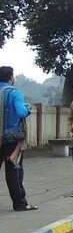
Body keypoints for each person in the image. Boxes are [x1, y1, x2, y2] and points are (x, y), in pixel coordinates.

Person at [0, 66, 36, 211]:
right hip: (11, 138)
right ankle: (20, 203)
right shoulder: (14, 92)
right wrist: (28, 109)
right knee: (14, 169)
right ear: (11, 78)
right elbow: (21, 112)